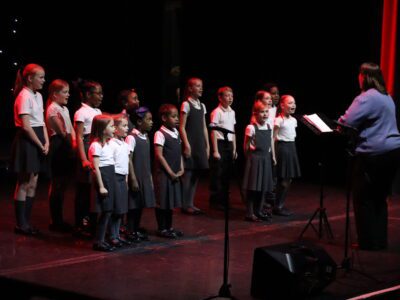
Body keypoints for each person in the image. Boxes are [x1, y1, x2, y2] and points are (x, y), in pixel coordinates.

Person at [338, 62, 400, 251]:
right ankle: (379, 240)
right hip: (392, 152)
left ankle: (367, 242)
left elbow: (347, 122)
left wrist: (339, 124)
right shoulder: (386, 96)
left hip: (373, 154)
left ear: (364, 76)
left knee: (363, 197)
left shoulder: (366, 98)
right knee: (379, 198)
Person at [11, 63, 49, 235]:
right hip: (28, 140)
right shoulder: (24, 96)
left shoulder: (39, 96)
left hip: (39, 138)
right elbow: (26, 126)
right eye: (40, 77)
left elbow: (41, 122)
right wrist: (40, 144)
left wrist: (46, 141)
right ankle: (21, 224)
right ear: (30, 78)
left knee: (33, 183)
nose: (43, 80)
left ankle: (27, 222)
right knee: (25, 183)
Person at [45, 79, 76, 232]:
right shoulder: (52, 109)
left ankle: (59, 219)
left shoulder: (64, 109)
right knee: (57, 184)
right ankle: (55, 221)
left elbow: (70, 129)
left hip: (67, 145)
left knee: (63, 184)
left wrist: (75, 144)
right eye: (65, 92)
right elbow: (62, 132)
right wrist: (72, 145)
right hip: (59, 147)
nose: (68, 95)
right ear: (55, 94)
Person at [73, 80, 103, 238]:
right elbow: (78, 137)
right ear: (88, 95)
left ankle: (92, 222)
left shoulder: (97, 111)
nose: (101, 96)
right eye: (98, 93)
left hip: (96, 146)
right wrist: (84, 158)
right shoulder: (81, 112)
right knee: (83, 189)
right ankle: (80, 224)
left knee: (93, 188)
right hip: (86, 147)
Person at [179, 77, 209, 215]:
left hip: (199, 143)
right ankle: (185, 204)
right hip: (190, 142)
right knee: (189, 173)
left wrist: (207, 145)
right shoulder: (186, 104)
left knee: (196, 174)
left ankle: (190, 203)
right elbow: (182, 126)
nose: (201, 88)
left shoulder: (202, 106)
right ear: (190, 88)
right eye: (197, 86)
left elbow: (204, 127)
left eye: (201, 86)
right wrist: (186, 144)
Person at [154, 104, 184, 238]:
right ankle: (162, 228)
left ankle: (169, 227)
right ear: (164, 118)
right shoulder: (160, 134)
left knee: (170, 202)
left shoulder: (176, 132)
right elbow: (159, 156)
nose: (177, 119)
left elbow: (179, 153)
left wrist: (182, 168)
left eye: (177, 116)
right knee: (162, 202)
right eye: (173, 116)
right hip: (165, 174)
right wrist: (170, 172)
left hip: (175, 174)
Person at [125, 107, 155, 242]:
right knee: (133, 206)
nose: (151, 122)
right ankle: (130, 230)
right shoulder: (132, 138)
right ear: (138, 121)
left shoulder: (146, 137)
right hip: (136, 176)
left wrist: (149, 177)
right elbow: (129, 159)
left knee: (140, 205)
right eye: (148, 119)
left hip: (144, 176)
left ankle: (136, 229)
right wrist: (133, 178)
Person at [242, 101, 274, 222]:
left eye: (266, 112)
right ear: (255, 113)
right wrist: (250, 158)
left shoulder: (269, 126)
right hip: (255, 159)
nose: (265, 114)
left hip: (265, 158)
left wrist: (272, 156)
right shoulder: (251, 127)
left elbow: (270, 144)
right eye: (262, 112)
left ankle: (259, 210)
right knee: (253, 187)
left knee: (263, 187)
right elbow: (246, 146)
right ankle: (249, 212)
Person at [88, 114, 116, 252]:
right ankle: (98, 241)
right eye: (111, 126)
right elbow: (96, 168)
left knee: (109, 210)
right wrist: (101, 186)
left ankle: (103, 239)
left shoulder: (109, 143)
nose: (114, 128)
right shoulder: (95, 145)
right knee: (105, 211)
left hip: (110, 176)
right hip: (103, 179)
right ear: (102, 129)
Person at [209, 86, 237, 210]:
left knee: (227, 172)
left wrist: (235, 149)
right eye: (227, 95)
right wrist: (215, 150)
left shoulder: (232, 112)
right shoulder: (217, 112)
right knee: (218, 172)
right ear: (220, 97)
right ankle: (216, 200)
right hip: (220, 143)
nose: (230, 98)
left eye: (231, 95)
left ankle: (224, 199)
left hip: (229, 143)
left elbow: (233, 130)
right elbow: (213, 131)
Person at [273, 95, 301, 216]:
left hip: (291, 147)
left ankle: (280, 205)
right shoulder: (278, 120)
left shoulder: (294, 120)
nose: (293, 105)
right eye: (290, 103)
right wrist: (273, 155)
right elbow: (274, 138)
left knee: (288, 178)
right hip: (282, 148)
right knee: (283, 179)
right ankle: (277, 206)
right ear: (282, 105)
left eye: (294, 103)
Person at [108, 114, 132, 247]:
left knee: (121, 209)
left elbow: (126, 164)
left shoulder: (124, 144)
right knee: (115, 209)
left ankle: (117, 235)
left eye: (127, 125)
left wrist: (127, 179)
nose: (127, 128)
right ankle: (112, 235)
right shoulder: (112, 144)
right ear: (115, 128)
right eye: (124, 126)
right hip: (115, 178)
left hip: (123, 178)